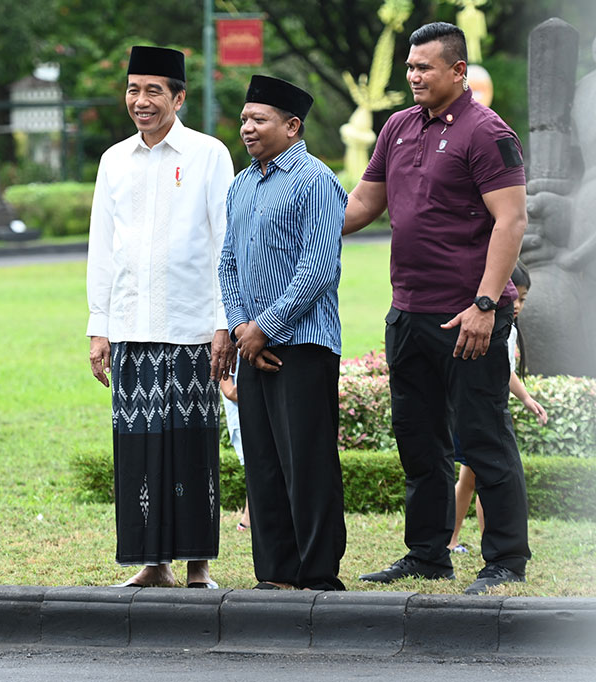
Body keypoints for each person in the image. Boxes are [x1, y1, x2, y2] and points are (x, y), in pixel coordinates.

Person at [344, 22, 531, 595]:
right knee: (418, 441)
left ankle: (504, 561)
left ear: (457, 71)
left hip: (467, 317)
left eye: (424, 67)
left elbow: (512, 219)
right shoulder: (398, 127)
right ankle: (428, 554)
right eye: (409, 67)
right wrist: (299, 223)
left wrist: (483, 304)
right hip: (409, 313)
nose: (413, 76)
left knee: (482, 437)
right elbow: (364, 203)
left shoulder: (487, 132)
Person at [86, 45, 235, 589]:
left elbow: (226, 243)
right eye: (133, 89)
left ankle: (197, 568)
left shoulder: (209, 154)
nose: (141, 101)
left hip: (193, 329)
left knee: (192, 445)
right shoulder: (113, 160)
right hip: (129, 328)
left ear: (179, 96)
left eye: (154, 91)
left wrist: (225, 322)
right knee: (139, 449)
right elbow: (102, 247)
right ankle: (153, 565)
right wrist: (99, 327)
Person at [219, 75, 348, 591]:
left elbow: (318, 266)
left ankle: (316, 576)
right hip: (254, 346)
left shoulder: (315, 180)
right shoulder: (242, 183)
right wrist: (240, 328)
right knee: (265, 466)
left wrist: (266, 328)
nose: (248, 128)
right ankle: (275, 574)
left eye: (260, 119)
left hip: (303, 345)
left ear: (292, 126)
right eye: (245, 119)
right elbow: (227, 262)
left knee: (307, 463)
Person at [448, 262, 547, 553]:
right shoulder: (494, 322)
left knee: (469, 480)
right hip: (481, 410)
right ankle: (485, 542)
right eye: (515, 297)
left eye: (524, 299)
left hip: (485, 407)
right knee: (486, 479)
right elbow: (505, 368)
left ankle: (452, 540)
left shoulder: (507, 324)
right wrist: (527, 398)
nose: (517, 305)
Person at [219, 356, 249, 532]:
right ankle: (251, 511)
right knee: (250, 455)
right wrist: (228, 388)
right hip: (237, 389)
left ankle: (250, 511)